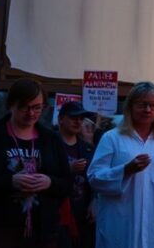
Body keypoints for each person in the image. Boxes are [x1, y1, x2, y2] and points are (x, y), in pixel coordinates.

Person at [0, 78, 73, 248]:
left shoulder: (50, 140)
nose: (31, 113)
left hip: (43, 231)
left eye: (37, 107)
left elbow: (67, 183)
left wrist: (50, 182)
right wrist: (9, 182)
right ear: (11, 104)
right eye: (24, 106)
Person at [87, 81, 154, 248]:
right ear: (130, 106)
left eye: (152, 105)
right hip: (120, 221)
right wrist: (125, 171)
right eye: (142, 105)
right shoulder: (112, 138)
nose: (147, 110)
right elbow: (94, 177)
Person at [56, 101, 97, 248]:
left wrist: (94, 201)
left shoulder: (87, 148)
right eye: (73, 117)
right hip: (57, 213)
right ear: (61, 118)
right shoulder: (49, 143)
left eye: (81, 118)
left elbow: (94, 178)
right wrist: (68, 169)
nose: (78, 121)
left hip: (83, 214)